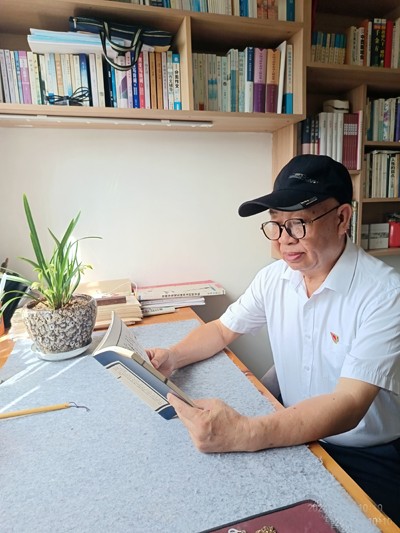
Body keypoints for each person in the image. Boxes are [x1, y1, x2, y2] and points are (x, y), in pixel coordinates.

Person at [146, 154, 400, 525]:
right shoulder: (274, 278)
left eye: (298, 223)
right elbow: (222, 330)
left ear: (342, 218)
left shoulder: (385, 294)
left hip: (364, 454)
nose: (284, 241)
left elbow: (349, 403)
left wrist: (246, 432)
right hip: (294, 432)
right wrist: (173, 356)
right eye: (276, 225)